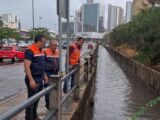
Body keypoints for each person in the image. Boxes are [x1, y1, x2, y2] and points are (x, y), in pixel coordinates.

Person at [24, 35, 48, 120]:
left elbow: (42, 65)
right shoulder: (30, 51)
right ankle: (28, 117)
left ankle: (34, 116)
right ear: (39, 42)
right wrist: (31, 80)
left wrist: (44, 75)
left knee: (37, 99)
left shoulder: (41, 51)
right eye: (44, 42)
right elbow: (26, 67)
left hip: (40, 78)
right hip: (33, 79)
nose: (45, 44)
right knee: (31, 100)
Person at [43, 40, 59, 110]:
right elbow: (42, 64)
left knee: (54, 88)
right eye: (53, 45)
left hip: (55, 73)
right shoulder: (45, 52)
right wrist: (44, 75)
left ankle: (53, 103)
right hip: (47, 73)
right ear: (49, 45)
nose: (54, 47)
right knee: (48, 89)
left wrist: (59, 71)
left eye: (55, 45)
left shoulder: (57, 51)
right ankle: (48, 105)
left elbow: (58, 62)